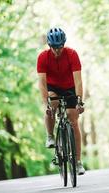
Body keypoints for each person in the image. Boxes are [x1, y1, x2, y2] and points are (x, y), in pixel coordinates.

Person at [36, 27, 85, 175]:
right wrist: (46, 104)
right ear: (49, 45)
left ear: (64, 44)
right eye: (54, 48)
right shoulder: (43, 57)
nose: (57, 50)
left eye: (60, 47)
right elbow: (42, 83)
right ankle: (50, 136)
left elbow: (78, 81)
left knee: (73, 119)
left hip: (70, 87)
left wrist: (79, 101)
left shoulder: (72, 54)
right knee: (52, 103)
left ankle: (77, 162)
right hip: (53, 87)